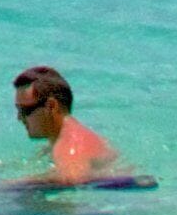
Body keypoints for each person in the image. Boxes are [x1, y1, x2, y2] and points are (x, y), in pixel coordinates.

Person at [11, 65, 148, 188]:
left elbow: (72, 178)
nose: (19, 118)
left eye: (25, 111)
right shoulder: (63, 137)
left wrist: (12, 185)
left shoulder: (71, 144)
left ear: (51, 106)